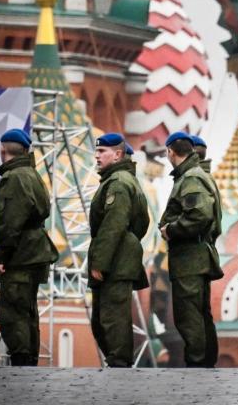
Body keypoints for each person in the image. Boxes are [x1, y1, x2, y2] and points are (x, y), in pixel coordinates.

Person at [0, 129, 58, 366]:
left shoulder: (13, 178)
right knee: (28, 312)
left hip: (20, 256)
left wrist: (1, 258)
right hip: (35, 253)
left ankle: (22, 365)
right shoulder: (32, 174)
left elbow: (11, 224)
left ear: (2, 150)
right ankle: (29, 363)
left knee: (13, 313)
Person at [159, 131, 224, 367]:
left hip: (190, 257)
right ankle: (204, 363)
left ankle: (198, 364)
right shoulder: (192, 176)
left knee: (189, 316)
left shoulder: (191, 178)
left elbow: (200, 215)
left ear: (170, 152)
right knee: (198, 313)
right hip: (195, 256)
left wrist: (171, 230)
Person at [88, 132, 151, 367]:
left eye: (102, 151)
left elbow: (113, 225)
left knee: (113, 319)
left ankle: (119, 369)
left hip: (114, 262)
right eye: (96, 151)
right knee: (104, 319)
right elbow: (141, 223)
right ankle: (117, 364)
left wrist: (100, 263)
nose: (97, 156)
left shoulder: (118, 183)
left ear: (117, 154)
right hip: (118, 258)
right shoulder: (121, 180)